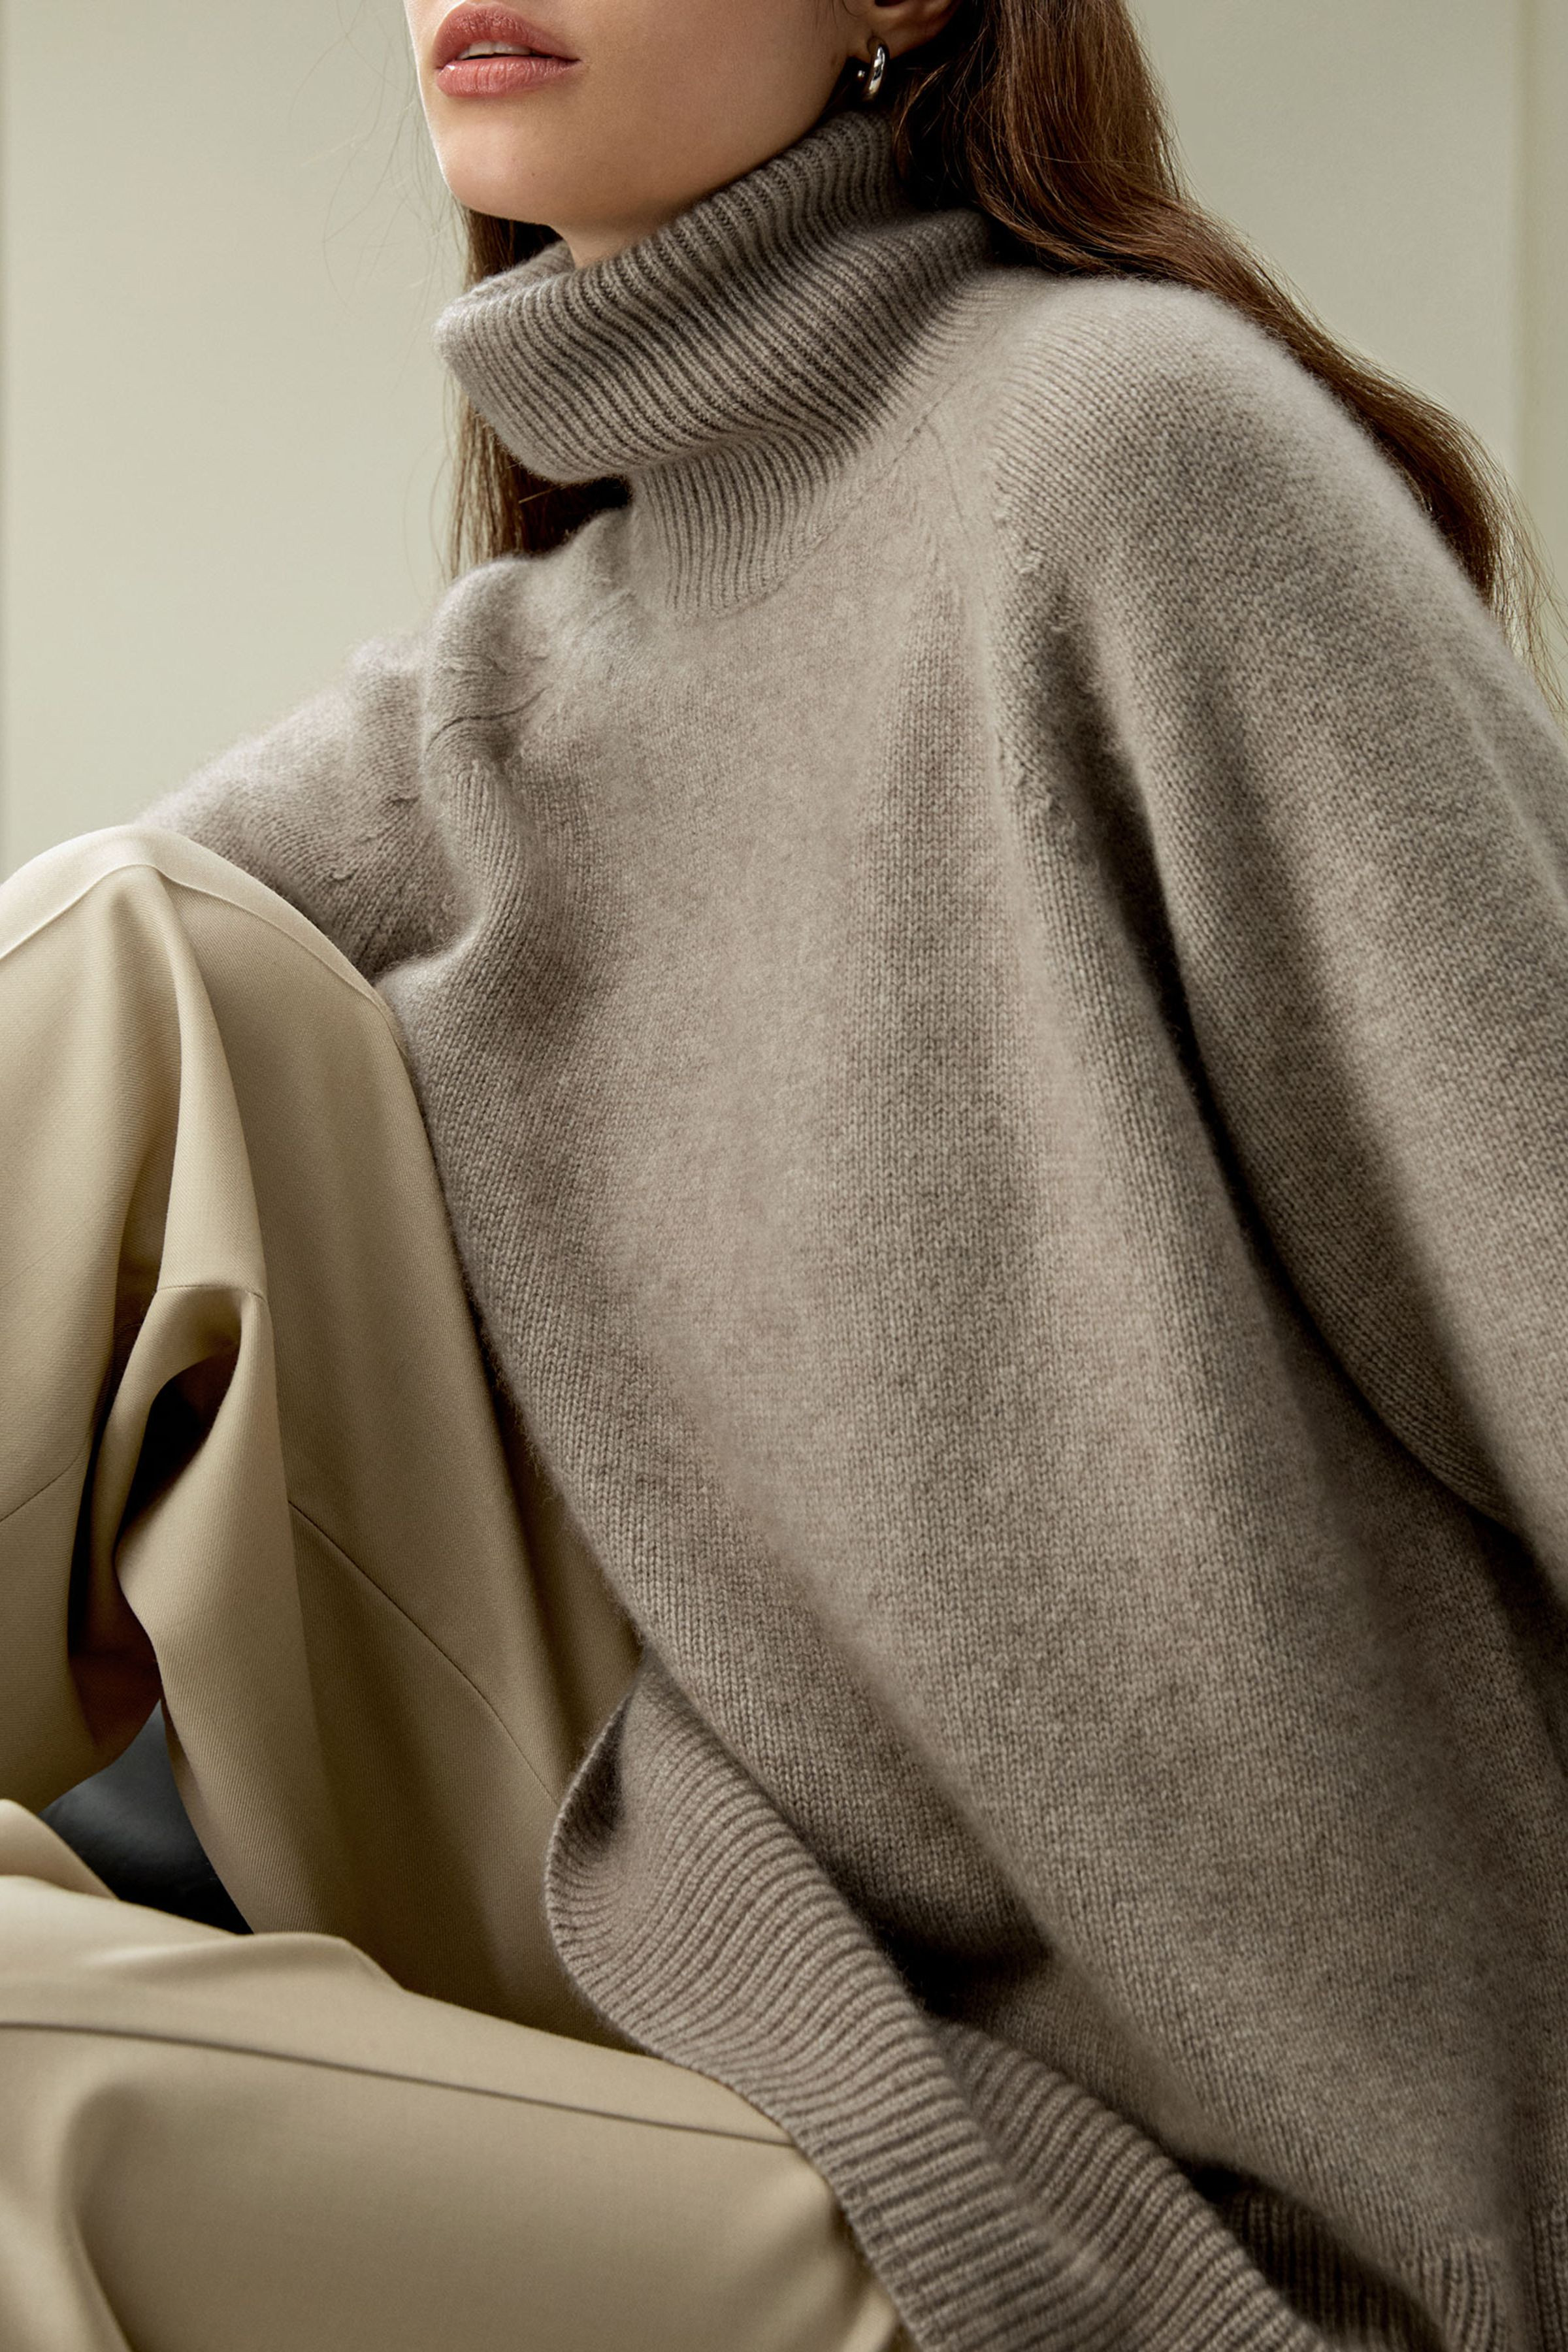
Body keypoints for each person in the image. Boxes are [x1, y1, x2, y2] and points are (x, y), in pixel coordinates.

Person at [3, 0, 1567, 2345]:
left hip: (1188, 2262)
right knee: (135, 951)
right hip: (734, 1962)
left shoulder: (1129, 454)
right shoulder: (505, 696)